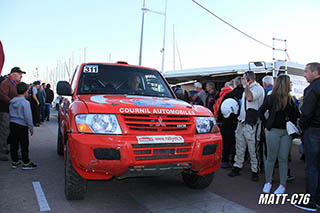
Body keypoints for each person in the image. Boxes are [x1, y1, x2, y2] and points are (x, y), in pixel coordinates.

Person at [258, 75, 299, 194]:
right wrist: (267, 126)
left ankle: (272, 182)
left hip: (278, 131)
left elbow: (260, 112)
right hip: (279, 131)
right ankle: (276, 183)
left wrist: (267, 125)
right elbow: (261, 112)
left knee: (275, 158)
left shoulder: (289, 99)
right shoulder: (278, 99)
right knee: (280, 158)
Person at [228, 71, 264, 181]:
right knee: (240, 146)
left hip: (252, 123)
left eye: (244, 78)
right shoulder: (246, 89)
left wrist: (247, 86)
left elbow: (250, 98)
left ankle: (255, 170)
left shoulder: (257, 88)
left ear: (249, 79)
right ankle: (237, 166)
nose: (242, 81)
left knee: (253, 148)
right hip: (242, 121)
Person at [294, 62, 320, 211]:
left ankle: (310, 201)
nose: (304, 75)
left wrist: (301, 127)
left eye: (306, 71)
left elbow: (306, 112)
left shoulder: (312, 89)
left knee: (312, 167)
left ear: (315, 72)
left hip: (313, 131)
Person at [9, 82, 36, 169]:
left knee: (14, 143)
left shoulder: (12, 102)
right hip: (22, 125)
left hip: (13, 123)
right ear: (25, 91)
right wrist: (31, 127)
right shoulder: (25, 103)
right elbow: (28, 116)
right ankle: (26, 162)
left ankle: (15, 161)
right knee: (24, 144)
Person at [0, 67, 25, 161]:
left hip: (14, 112)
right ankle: (2, 152)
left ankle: (14, 151)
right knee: (4, 131)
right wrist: (13, 102)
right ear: (13, 74)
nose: (21, 76)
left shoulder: (16, 84)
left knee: (15, 132)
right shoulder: (5, 83)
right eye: (20, 74)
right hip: (6, 111)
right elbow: (2, 95)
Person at [218, 76, 243, 168]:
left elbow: (221, 108)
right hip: (239, 121)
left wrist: (219, 120)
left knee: (227, 142)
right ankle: (235, 161)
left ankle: (225, 160)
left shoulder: (228, 95)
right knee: (237, 144)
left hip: (227, 122)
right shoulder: (245, 94)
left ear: (235, 84)